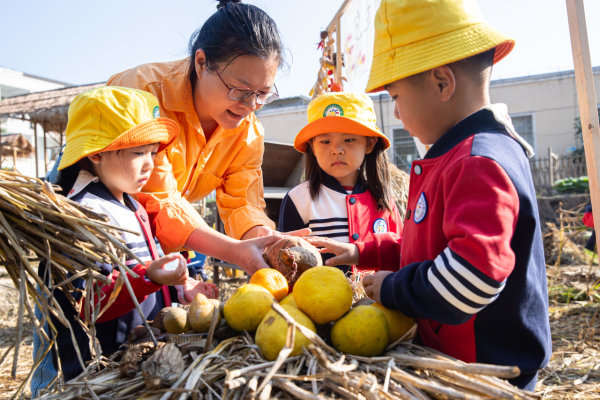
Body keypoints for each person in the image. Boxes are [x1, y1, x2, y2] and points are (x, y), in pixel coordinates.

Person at [308, 0, 551, 391]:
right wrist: (365, 252)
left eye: (396, 97)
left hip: (485, 375)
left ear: (442, 83)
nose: (398, 113)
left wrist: (393, 289)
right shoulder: (459, 155)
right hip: (462, 366)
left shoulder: (477, 161)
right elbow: (431, 246)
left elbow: (472, 276)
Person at [30, 86, 220, 393]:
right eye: (138, 153)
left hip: (145, 356)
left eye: (152, 152)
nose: (150, 164)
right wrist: (150, 277)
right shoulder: (86, 213)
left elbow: (148, 273)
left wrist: (181, 289)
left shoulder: (131, 204)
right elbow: (89, 302)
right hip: (113, 365)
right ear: (96, 153)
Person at [107, 0, 299, 274]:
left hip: (156, 242)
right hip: (103, 228)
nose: (250, 105)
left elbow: (242, 203)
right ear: (201, 62)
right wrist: (233, 250)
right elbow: (155, 197)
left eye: (262, 94)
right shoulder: (141, 94)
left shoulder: (248, 132)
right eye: (240, 90)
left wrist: (266, 241)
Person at [278, 92, 402, 275]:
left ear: (369, 144)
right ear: (312, 146)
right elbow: (286, 264)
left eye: (349, 139)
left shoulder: (385, 200)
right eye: (325, 141)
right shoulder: (298, 200)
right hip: (317, 301)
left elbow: (400, 255)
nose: (336, 150)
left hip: (379, 302)